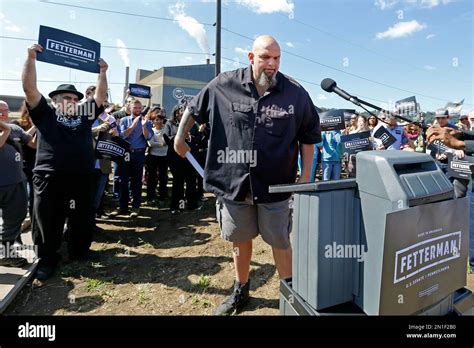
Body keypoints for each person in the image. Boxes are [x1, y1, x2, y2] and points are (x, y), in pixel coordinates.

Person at [174, 35, 321, 315]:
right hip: (233, 183)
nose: (272, 64)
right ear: (251, 57)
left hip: (276, 185)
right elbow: (193, 108)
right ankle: (241, 291)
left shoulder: (295, 93)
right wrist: (180, 137)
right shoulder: (223, 84)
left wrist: (305, 175)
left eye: (277, 58)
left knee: (280, 240)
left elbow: (309, 135)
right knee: (240, 241)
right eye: (266, 57)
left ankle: (289, 294)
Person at [22, 43, 108, 280]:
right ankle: (48, 259)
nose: (72, 101)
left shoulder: (83, 117)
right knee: (48, 219)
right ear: (55, 100)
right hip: (49, 177)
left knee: (83, 216)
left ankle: (79, 251)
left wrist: (102, 72)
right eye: (67, 98)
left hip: (81, 177)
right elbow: (29, 89)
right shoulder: (45, 114)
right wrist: (31, 58)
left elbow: (100, 97)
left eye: (75, 98)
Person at [0, 102, 36, 267]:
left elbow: (32, 144)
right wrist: (5, 130)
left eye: (5, 111)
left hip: (16, 182)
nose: (3, 114)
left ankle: (6, 254)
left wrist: (40, 128)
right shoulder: (9, 130)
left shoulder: (15, 129)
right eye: (0, 111)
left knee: (15, 217)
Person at [112, 99, 153, 218]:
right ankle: (123, 207)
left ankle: (136, 207)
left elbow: (148, 137)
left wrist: (144, 126)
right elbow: (122, 135)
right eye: (135, 108)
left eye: (139, 108)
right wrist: (133, 125)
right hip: (125, 153)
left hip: (139, 153)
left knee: (137, 181)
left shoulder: (146, 121)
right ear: (130, 108)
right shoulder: (124, 120)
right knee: (123, 180)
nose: (138, 110)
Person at [164, 104, 199, 213]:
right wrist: (179, 136)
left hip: (190, 158)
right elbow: (167, 139)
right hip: (176, 158)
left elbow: (198, 139)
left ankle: (192, 205)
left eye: (184, 112)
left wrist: (189, 137)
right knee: (178, 182)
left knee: (191, 182)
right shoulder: (169, 124)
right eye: (179, 112)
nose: (181, 114)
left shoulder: (192, 125)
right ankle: (177, 206)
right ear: (175, 113)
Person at [146, 108, 169, 204]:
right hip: (153, 156)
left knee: (163, 178)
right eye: (156, 120)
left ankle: (162, 198)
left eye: (160, 119)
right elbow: (150, 143)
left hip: (164, 156)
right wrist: (161, 143)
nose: (159, 121)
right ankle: (150, 198)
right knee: (151, 177)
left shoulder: (166, 129)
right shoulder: (150, 130)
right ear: (153, 121)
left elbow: (167, 142)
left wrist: (158, 143)